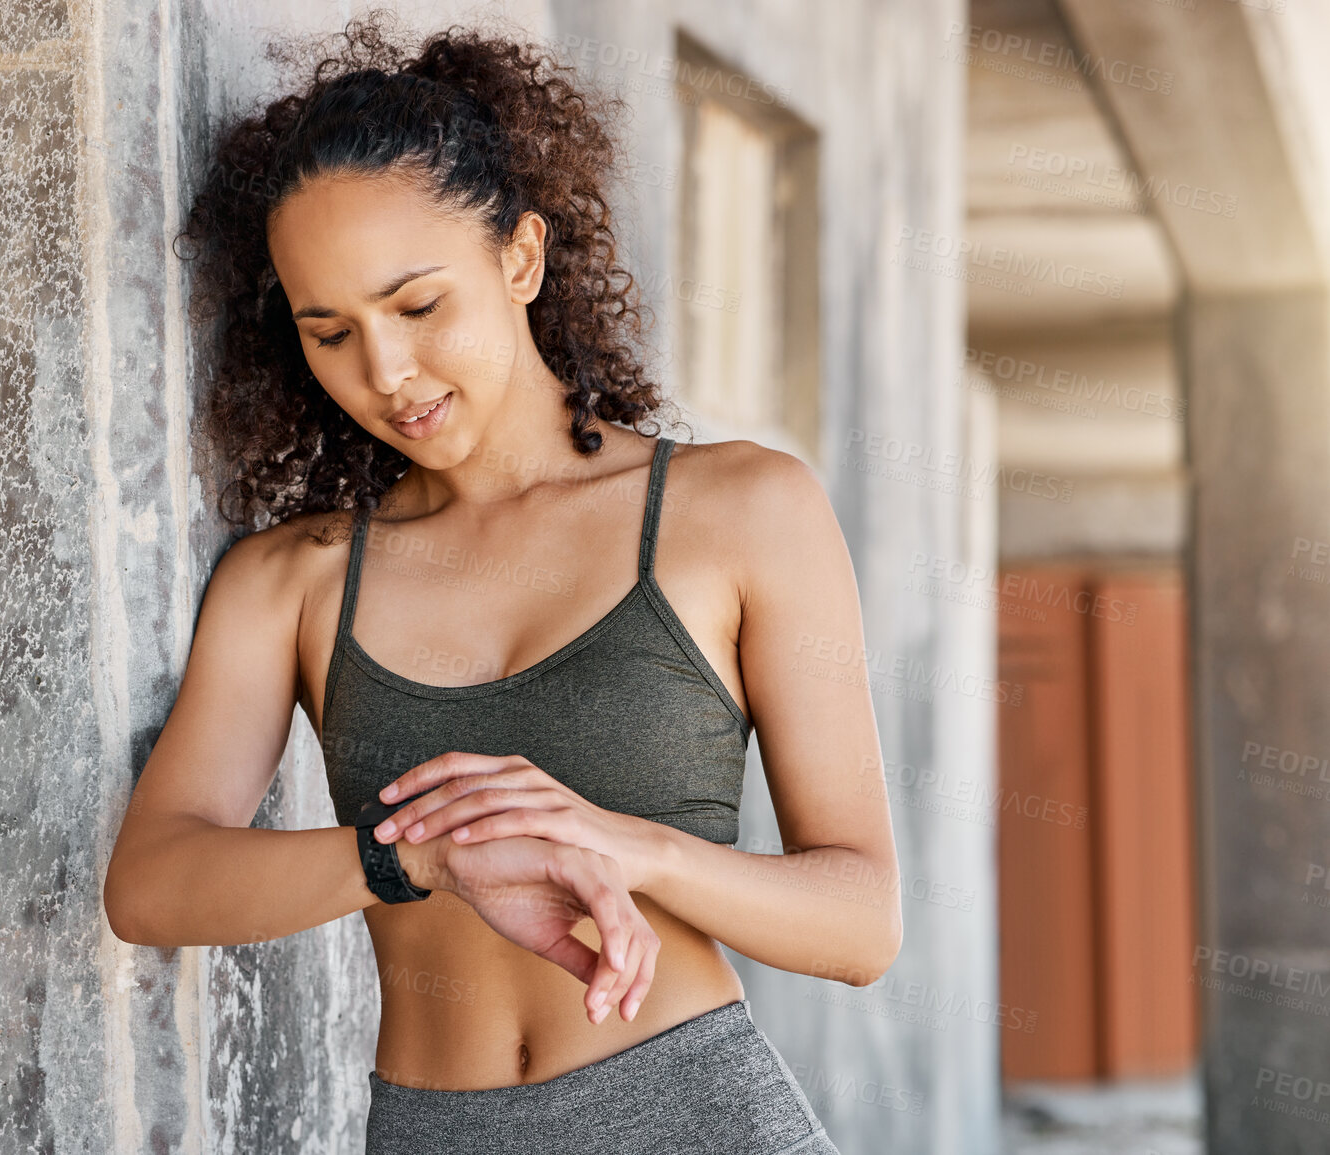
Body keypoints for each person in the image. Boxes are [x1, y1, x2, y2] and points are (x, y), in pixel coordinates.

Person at [104, 10, 899, 1152]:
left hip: (691, 1111)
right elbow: (154, 885)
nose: (386, 371)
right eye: (330, 332)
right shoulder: (294, 580)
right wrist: (414, 855)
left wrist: (631, 847)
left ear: (521, 257)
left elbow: (862, 925)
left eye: (419, 306)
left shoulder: (741, 511)